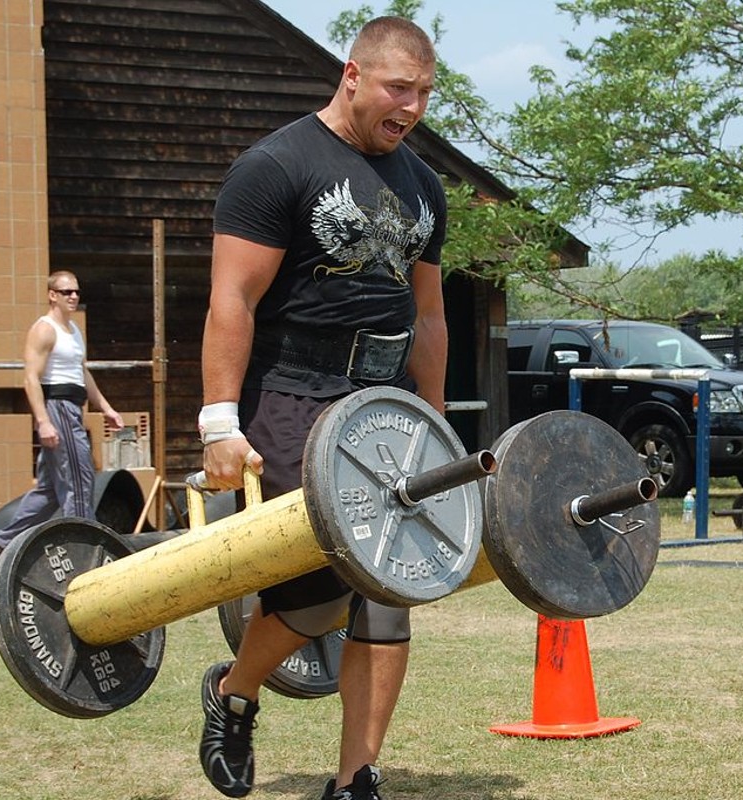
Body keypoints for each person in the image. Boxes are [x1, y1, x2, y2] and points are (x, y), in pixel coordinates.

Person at [195, 16, 447, 800]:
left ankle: (355, 779)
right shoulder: (276, 167)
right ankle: (234, 691)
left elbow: (429, 315)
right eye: (398, 88)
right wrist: (218, 423)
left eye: (424, 94)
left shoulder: (424, 184)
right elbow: (231, 300)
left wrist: (432, 423)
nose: (410, 107)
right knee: (313, 599)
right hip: (293, 394)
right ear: (352, 75)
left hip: (383, 402)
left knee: (388, 587)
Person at [0, 270, 123, 557]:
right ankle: (81, 549)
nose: (73, 297)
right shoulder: (44, 329)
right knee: (79, 479)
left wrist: (106, 408)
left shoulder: (73, 331)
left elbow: (81, 372)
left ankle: (4, 540)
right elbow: (30, 378)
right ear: (52, 295)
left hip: (73, 407)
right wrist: (43, 422)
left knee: (49, 492)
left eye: (76, 292)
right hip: (57, 408)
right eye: (66, 292)